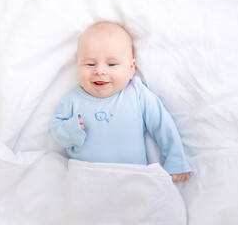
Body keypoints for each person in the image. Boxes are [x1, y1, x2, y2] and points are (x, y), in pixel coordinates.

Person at [49, 22, 191, 182]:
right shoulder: (72, 101)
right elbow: (56, 129)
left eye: (111, 64)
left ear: (131, 69)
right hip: (87, 177)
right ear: (78, 66)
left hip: (132, 177)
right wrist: (69, 131)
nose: (100, 71)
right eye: (90, 64)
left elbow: (163, 126)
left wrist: (176, 160)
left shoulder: (137, 94)